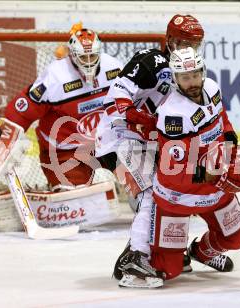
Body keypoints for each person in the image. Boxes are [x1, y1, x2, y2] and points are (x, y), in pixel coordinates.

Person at [94, 14, 226, 288]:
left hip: (153, 139)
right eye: (182, 42)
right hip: (121, 137)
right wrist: (139, 120)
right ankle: (138, 256)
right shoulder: (150, 60)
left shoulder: (189, 69)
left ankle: (170, 250)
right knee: (154, 192)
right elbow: (113, 98)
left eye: (194, 43)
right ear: (169, 40)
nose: (188, 47)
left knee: (180, 189)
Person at [146, 47, 240, 286]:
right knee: (168, 270)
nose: (192, 81)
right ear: (175, 79)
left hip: (212, 188)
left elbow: (222, 121)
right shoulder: (172, 114)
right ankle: (138, 251)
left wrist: (232, 155)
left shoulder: (213, 89)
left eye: (195, 74)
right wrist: (211, 174)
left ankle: (202, 253)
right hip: (177, 195)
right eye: (185, 77)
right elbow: (173, 169)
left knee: (236, 238)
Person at [4, 24, 123, 191]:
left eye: (93, 56)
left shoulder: (114, 68)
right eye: (83, 57)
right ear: (72, 55)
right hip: (64, 150)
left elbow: (133, 102)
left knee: (141, 177)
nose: (89, 62)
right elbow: (22, 110)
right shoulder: (55, 76)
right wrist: (7, 141)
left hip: (105, 142)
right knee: (75, 199)